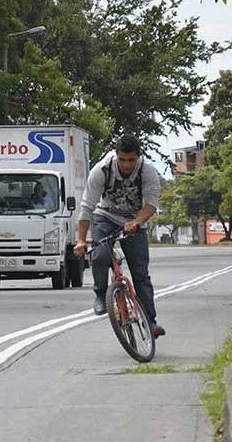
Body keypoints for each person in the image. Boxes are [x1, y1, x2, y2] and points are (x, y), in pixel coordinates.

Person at [72, 134, 165, 339]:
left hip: (134, 221)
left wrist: (137, 222)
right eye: (122, 159)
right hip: (104, 217)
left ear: (138, 157)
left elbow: (151, 204)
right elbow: (87, 207)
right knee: (100, 255)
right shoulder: (101, 170)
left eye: (131, 160)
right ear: (116, 156)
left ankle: (150, 321)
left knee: (140, 273)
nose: (126, 165)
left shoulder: (148, 171)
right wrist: (80, 241)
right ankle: (100, 294)